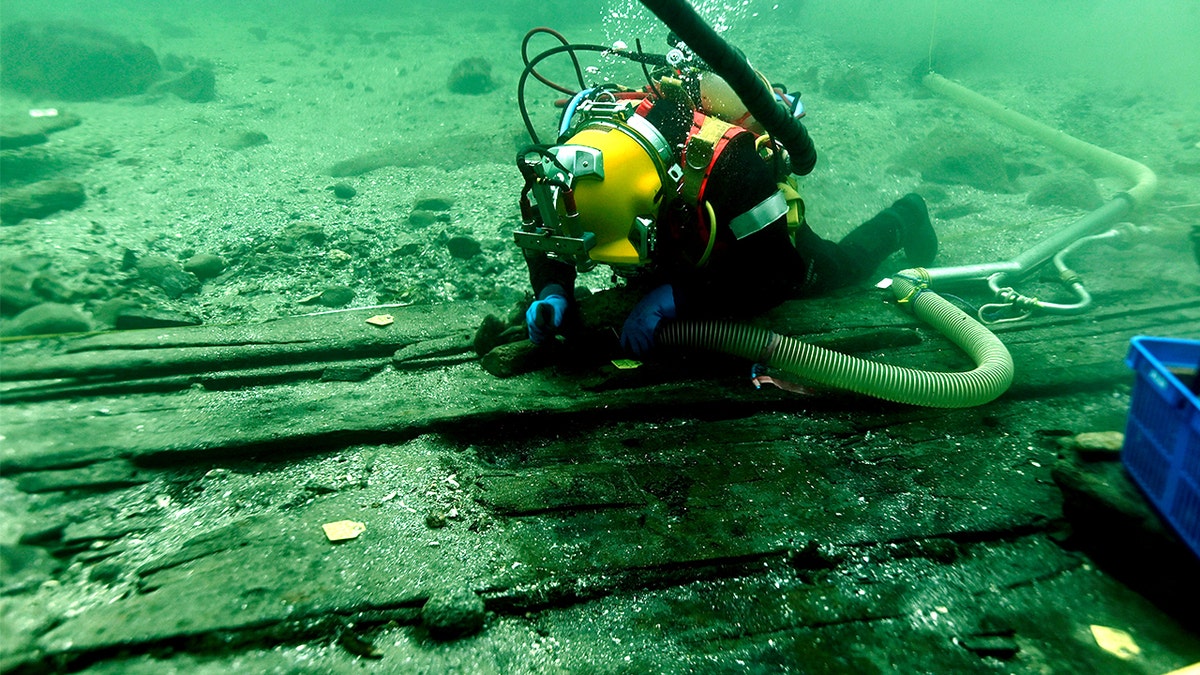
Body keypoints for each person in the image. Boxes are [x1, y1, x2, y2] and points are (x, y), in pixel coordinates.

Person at [515, 50, 937, 359]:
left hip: (742, 242)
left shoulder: (733, 165)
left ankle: (908, 214)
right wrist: (553, 288)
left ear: (655, 200)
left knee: (837, 268)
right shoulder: (574, 154)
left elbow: (779, 275)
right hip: (683, 237)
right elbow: (553, 235)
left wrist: (682, 297)